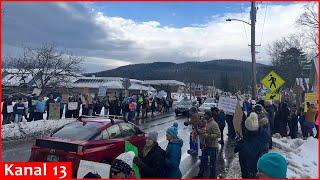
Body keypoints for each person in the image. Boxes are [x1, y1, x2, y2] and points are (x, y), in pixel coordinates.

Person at [234, 112, 269, 178]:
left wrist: (240, 142)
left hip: (250, 171)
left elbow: (246, 152)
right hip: (258, 169)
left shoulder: (249, 141)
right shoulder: (263, 134)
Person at [197, 111, 221, 178]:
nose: (204, 116)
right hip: (206, 145)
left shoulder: (214, 124)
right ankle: (200, 175)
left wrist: (208, 136)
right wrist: (201, 132)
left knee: (212, 164)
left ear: (209, 116)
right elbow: (205, 131)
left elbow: (218, 134)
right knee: (202, 162)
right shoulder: (206, 122)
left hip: (213, 147)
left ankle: (212, 176)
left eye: (205, 115)